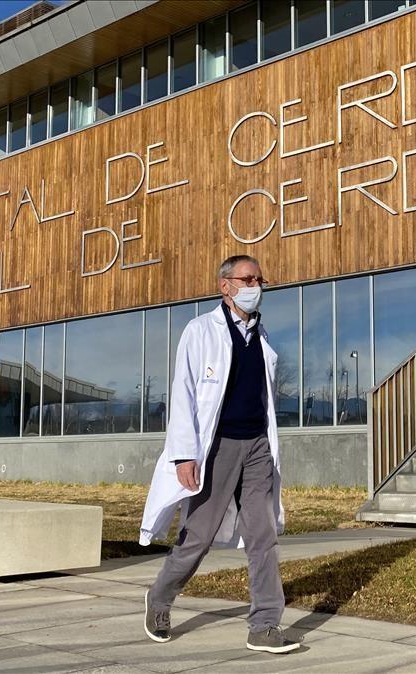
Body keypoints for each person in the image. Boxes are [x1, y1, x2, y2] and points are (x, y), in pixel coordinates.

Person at [137, 255, 300, 654]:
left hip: (258, 446)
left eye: (259, 279)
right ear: (225, 285)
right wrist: (184, 455)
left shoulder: (262, 337)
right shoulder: (199, 331)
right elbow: (184, 395)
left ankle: (264, 624)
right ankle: (159, 598)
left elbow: (264, 399)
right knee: (198, 537)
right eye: (248, 279)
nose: (255, 286)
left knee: (263, 536)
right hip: (216, 447)